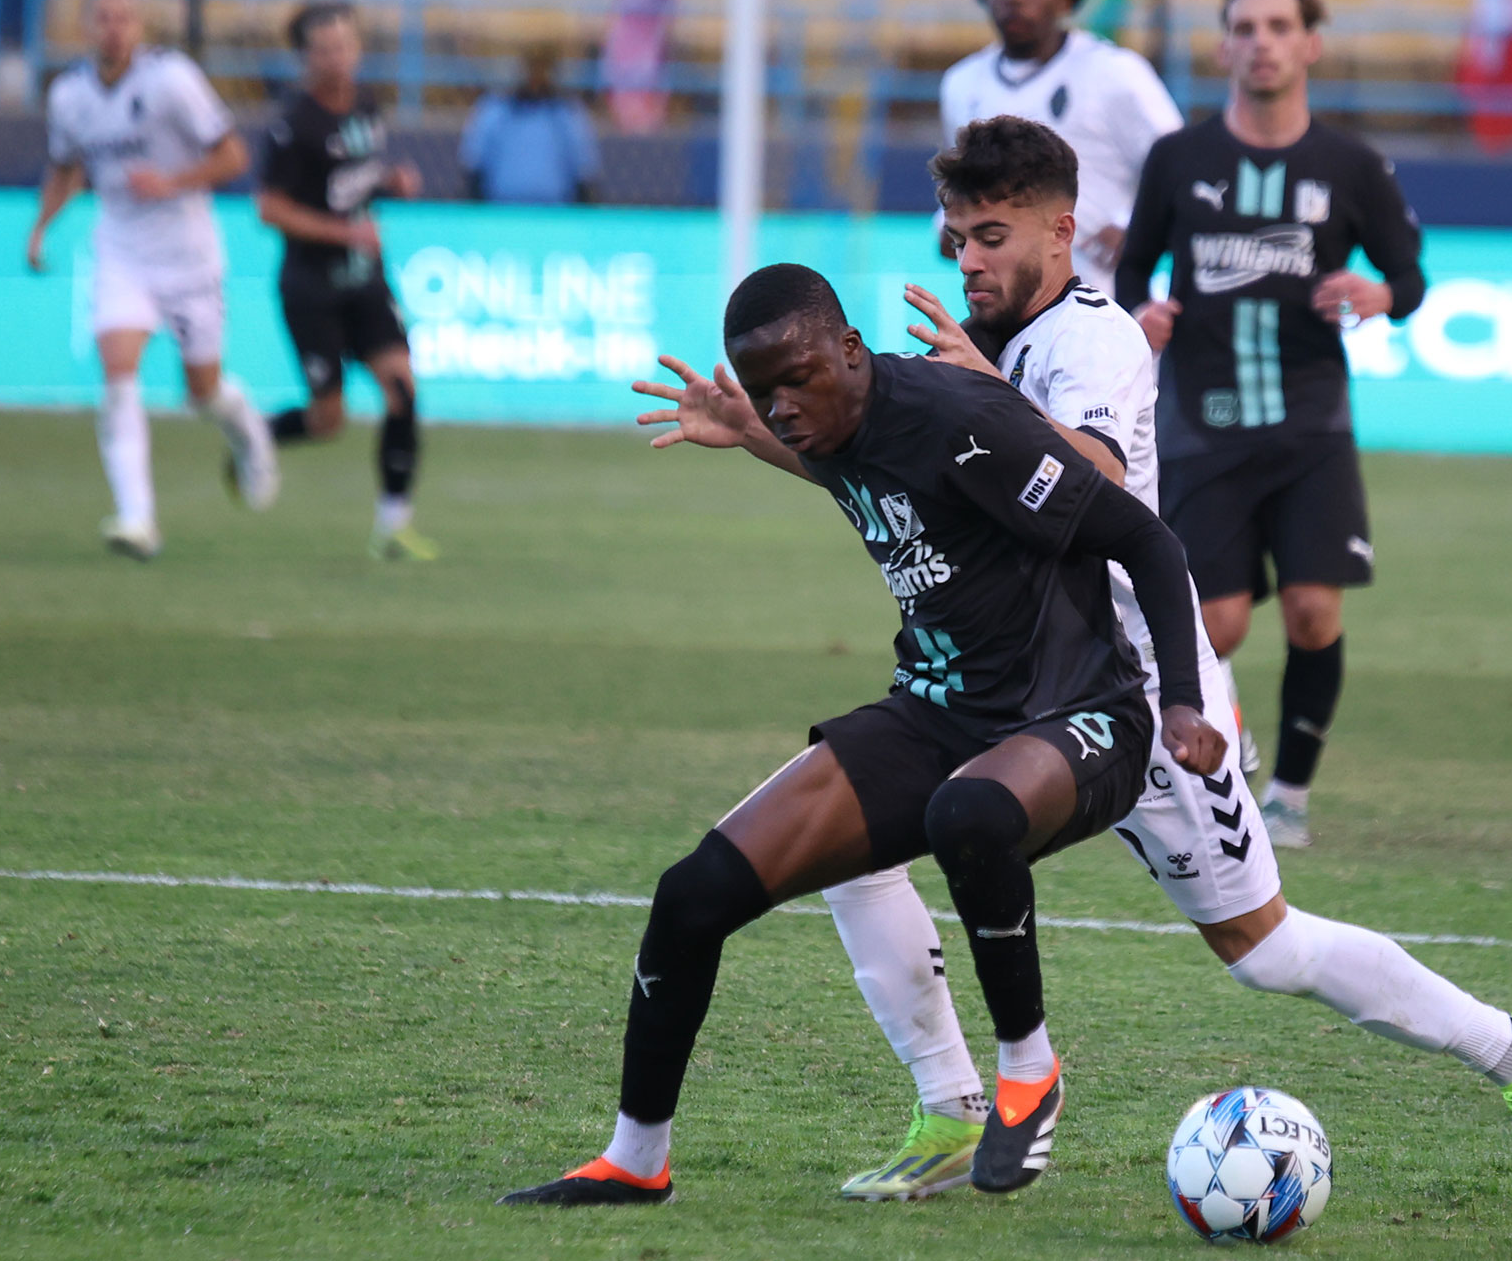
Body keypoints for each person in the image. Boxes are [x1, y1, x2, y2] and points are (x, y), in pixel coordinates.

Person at [822, 115, 1512, 1204]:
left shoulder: (1092, 339)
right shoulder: (994, 343)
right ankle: (952, 1109)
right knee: (857, 842)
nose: (968, 259)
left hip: (1133, 688)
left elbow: (1083, 474)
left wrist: (978, 394)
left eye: (991, 234)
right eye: (955, 238)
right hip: (1019, 681)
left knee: (1262, 947)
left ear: (1062, 228)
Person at [497, 263, 1225, 1206]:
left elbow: (1147, 541)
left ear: (851, 351)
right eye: (765, 393)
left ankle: (1026, 1071)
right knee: (692, 894)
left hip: (1080, 709)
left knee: (969, 812)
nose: (785, 406)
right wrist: (749, 431)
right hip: (937, 706)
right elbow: (830, 455)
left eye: (797, 380)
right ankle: (635, 1160)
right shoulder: (827, 420)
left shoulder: (961, 420)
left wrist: (1183, 702)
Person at [1114, 0, 1424, 849]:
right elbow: (1134, 267)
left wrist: (1379, 296)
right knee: (1217, 622)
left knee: (1314, 612)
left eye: (1279, 27)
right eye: (1245, 27)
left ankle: (1288, 793)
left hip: (1310, 423)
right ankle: (1230, 739)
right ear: (1224, 46)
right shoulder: (1180, 159)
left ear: (1310, 45)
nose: (1262, 42)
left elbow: (1411, 277)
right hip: (1202, 422)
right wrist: (1145, 311)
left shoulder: (1351, 165)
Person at [27, 0, 277, 562]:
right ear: (86, 25)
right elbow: (65, 168)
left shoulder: (172, 81)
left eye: (125, 18)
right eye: (103, 17)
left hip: (189, 257)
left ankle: (249, 434)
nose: (113, 28)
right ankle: (138, 519)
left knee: (203, 391)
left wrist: (171, 183)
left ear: (140, 28)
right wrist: (41, 226)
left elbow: (234, 155)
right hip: (121, 252)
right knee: (118, 374)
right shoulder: (68, 96)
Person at [255, 1, 436, 562]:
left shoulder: (366, 104)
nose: (338, 57)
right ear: (305, 57)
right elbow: (271, 209)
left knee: (402, 391)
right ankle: (255, 435)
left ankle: (393, 526)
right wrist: (342, 234)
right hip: (311, 287)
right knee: (327, 420)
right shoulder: (293, 125)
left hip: (365, 282)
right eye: (325, 48)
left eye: (345, 45)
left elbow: (354, 182)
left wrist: (390, 183)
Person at [938, 0, 1183, 292]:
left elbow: (1180, 168)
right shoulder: (961, 84)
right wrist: (950, 226)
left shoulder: (1116, 74)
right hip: (1005, 313)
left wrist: (1134, 226)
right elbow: (956, 193)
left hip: (1104, 301)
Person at [459, 44, 602, 204]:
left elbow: (585, 174)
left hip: (556, 215)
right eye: (529, 67)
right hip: (500, 213)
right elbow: (473, 168)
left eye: (541, 67)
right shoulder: (493, 110)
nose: (534, 76)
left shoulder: (567, 113)